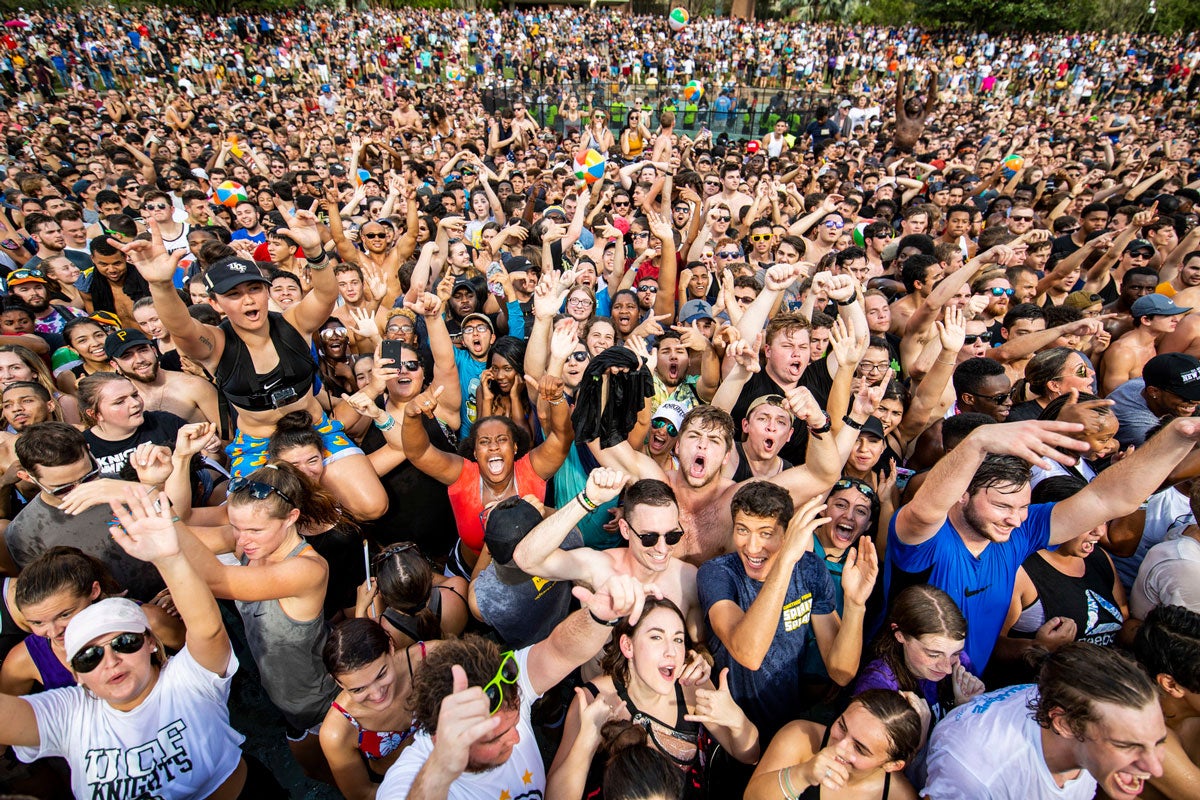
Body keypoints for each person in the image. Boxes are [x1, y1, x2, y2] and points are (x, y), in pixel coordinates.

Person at [0, 485, 285, 799]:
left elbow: (206, 631)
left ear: (150, 642)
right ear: (75, 674)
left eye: (123, 642)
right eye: (89, 657)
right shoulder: (68, 716)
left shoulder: (185, 683)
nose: (110, 660)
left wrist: (171, 558)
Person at [114, 211, 388, 520]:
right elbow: (182, 328)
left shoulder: (294, 323)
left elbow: (326, 293)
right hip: (261, 443)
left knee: (372, 506)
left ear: (265, 291)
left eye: (254, 289)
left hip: (315, 430)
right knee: (256, 524)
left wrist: (314, 251)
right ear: (215, 303)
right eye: (233, 294)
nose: (248, 301)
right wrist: (161, 286)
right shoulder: (215, 345)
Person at [886, 416, 1200, 671]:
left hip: (966, 691)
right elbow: (924, 510)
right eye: (1001, 506)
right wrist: (978, 441)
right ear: (962, 493)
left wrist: (1179, 436)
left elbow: (1106, 498)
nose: (1014, 518)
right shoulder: (927, 540)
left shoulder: (1019, 532)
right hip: (899, 688)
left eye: (1022, 507)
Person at [375, 573, 664, 799]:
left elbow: (560, 650)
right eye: (495, 737)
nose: (516, 739)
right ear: (442, 738)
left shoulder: (503, 684)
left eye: (513, 723)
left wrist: (601, 617)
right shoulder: (412, 774)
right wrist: (441, 767)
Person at [164, 460, 340, 779]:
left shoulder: (307, 569)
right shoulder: (249, 545)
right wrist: (157, 487)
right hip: (283, 696)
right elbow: (181, 533)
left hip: (319, 704)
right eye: (236, 527)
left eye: (255, 530)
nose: (243, 540)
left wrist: (163, 516)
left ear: (291, 518)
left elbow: (217, 579)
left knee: (332, 776)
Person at [699, 481, 878, 741]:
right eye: (742, 530)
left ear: (786, 535)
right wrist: (785, 561)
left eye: (766, 533)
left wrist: (855, 604)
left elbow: (841, 672)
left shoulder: (810, 569)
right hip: (729, 732)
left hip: (786, 727)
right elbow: (748, 653)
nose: (751, 546)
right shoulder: (717, 573)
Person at [548, 598, 760, 800]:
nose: (671, 651)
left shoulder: (691, 687)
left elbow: (750, 755)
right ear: (627, 645)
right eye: (656, 637)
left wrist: (736, 719)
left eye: (678, 639)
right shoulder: (592, 700)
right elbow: (554, 796)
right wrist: (587, 741)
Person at [923, 643, 1166, 800]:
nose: (1156, 768)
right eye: (1127, 746)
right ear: (1065, 724)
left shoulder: (1072, 699)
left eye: (1158, 743)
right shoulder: (977, 776)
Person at [400, 375, 573, 577]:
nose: (493, 446)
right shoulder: (463, 475)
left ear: (515, 447)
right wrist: (411, 416)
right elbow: (418, 453)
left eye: (502, 439)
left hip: (527, 574)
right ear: (474, 452)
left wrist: (557, 399)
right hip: (465, 572)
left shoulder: (531, 469)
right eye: (484, 442)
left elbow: (562, 437)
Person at [0, 545, 184, 695]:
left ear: (94, 591)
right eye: (37, 623)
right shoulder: (22, 661)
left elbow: (206, 662)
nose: (55, 632)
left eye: (65, 615)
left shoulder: (150, 621)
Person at [320, 617, 438, 800]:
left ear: (390, 647)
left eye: (381, 675)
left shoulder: (430, 658)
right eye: (358, 689)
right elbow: (363, 793)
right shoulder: (337, 732)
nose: (377, 695)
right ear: (338, 682)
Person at [746, 689, 922, 800]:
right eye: (842, 726)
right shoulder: (800, 737)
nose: (840, 746)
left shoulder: (899, 796)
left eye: (859, 748)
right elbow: (751, 797)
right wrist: (802, 774)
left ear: (892, 764)